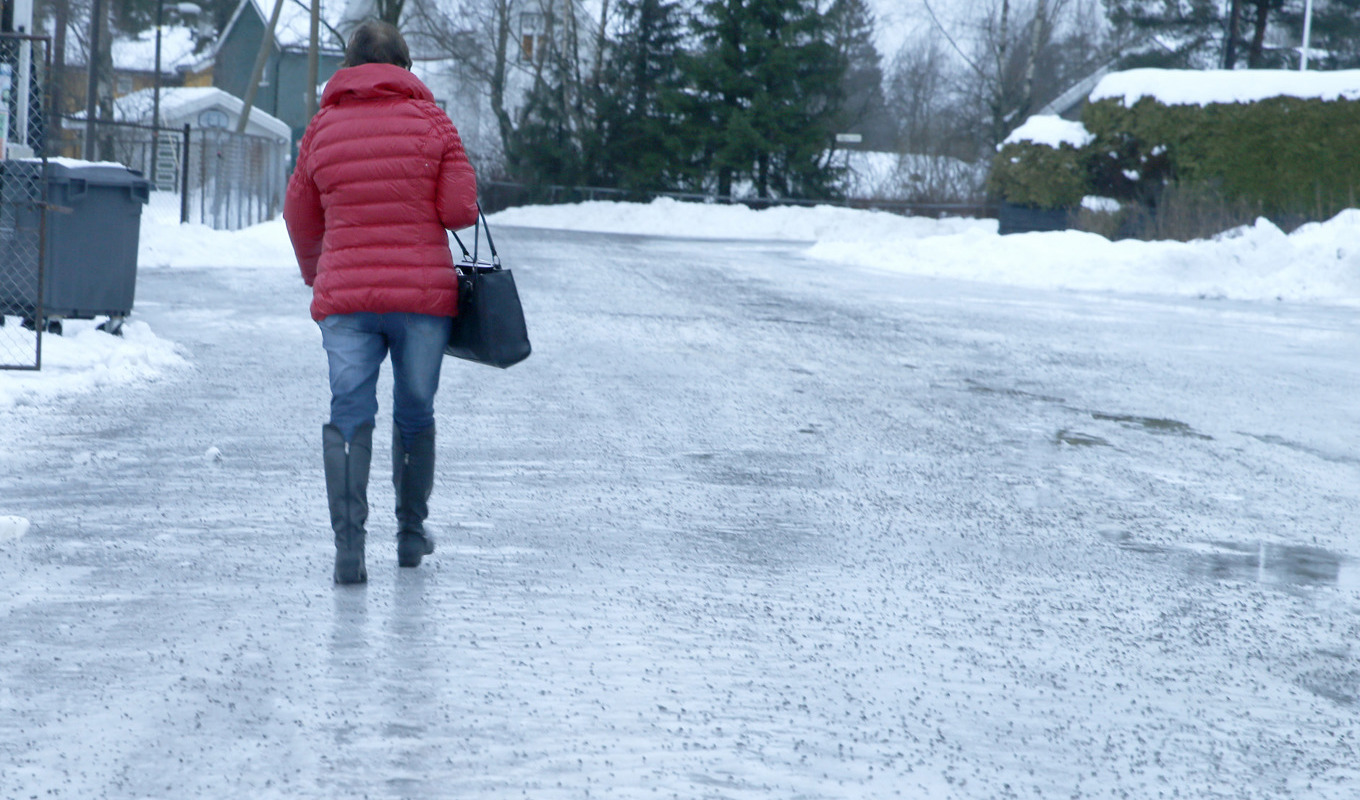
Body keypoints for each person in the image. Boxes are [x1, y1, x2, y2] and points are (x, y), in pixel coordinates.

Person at [284, 20, 478, 584]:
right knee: (415, 410)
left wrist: (319, 274)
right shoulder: (434, 122)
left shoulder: (322, 128)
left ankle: (349, 550)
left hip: (347, 300)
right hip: (421, 300)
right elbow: (460, 211)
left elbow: (299, 213)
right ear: (405, 66)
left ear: (349, 67)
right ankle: (411, 535)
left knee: (349, 412)